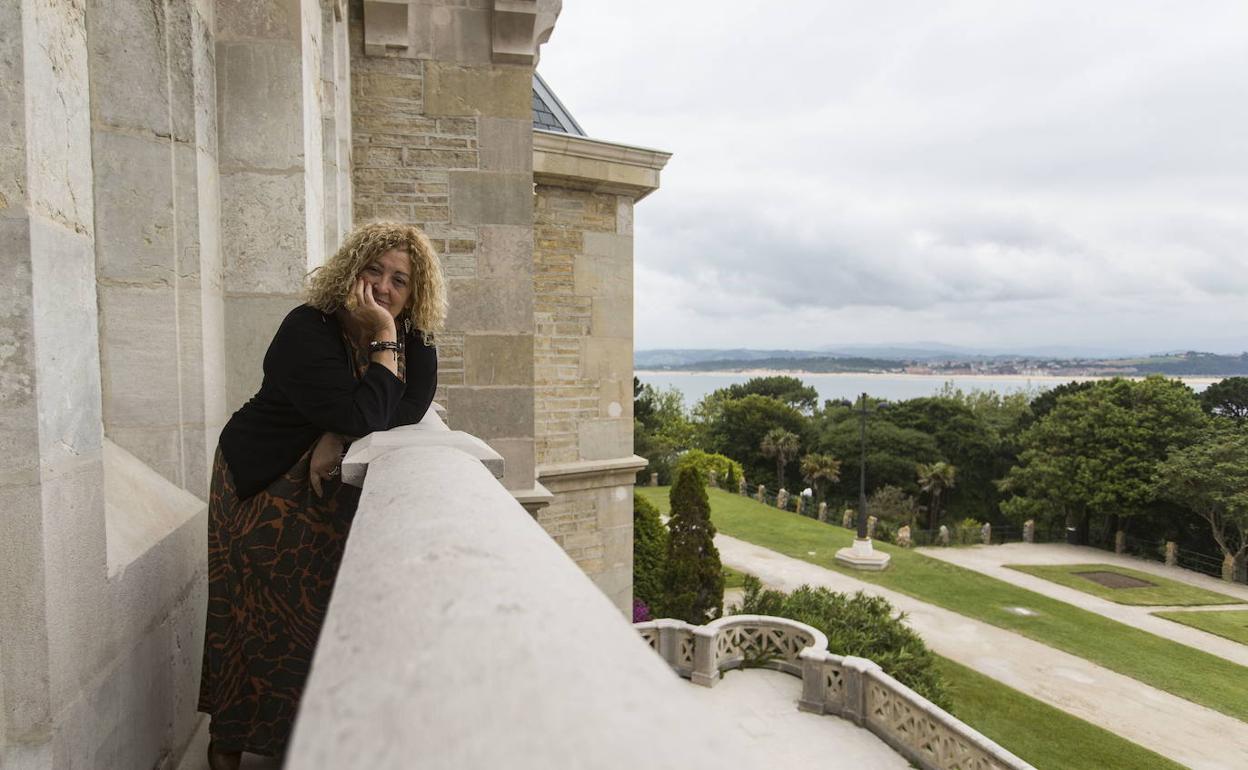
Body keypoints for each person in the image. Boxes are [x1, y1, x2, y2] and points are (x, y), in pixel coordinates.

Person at [198, 222, 446, 769]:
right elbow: (363, 412)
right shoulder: (307, 328)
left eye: (400, 280)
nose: (384, 287)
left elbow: (408, 408)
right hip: (261, 482)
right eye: (374, 270)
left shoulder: (416, 337)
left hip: (321, 493)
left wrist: (337, 433)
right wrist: (379, 337)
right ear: (351, 271)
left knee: (309, 623)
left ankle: (296, 743)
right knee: (248, 619)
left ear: (415, 292)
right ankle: (228, 743)